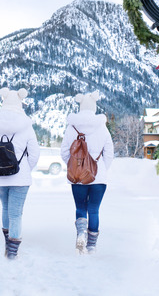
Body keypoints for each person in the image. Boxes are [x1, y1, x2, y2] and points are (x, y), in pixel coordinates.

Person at [0, 88, 40, 260]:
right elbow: (34, 154)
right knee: (15, 213)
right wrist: (24, 169)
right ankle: (12, 252)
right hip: (20, 179)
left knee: (6, 209)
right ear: (20, 104)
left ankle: (7, 244)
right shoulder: (27, 127)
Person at [60, 91, 114, 254]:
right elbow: (109, 153)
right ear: (94, 107)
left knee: (80, 208)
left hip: (77, 177)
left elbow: (64, 152)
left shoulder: (72, 127)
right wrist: (100, 168)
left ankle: (81, 233)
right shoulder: (102, 127)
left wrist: (76, 165)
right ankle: (91, 246)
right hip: (98, 178)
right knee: (94, 210)